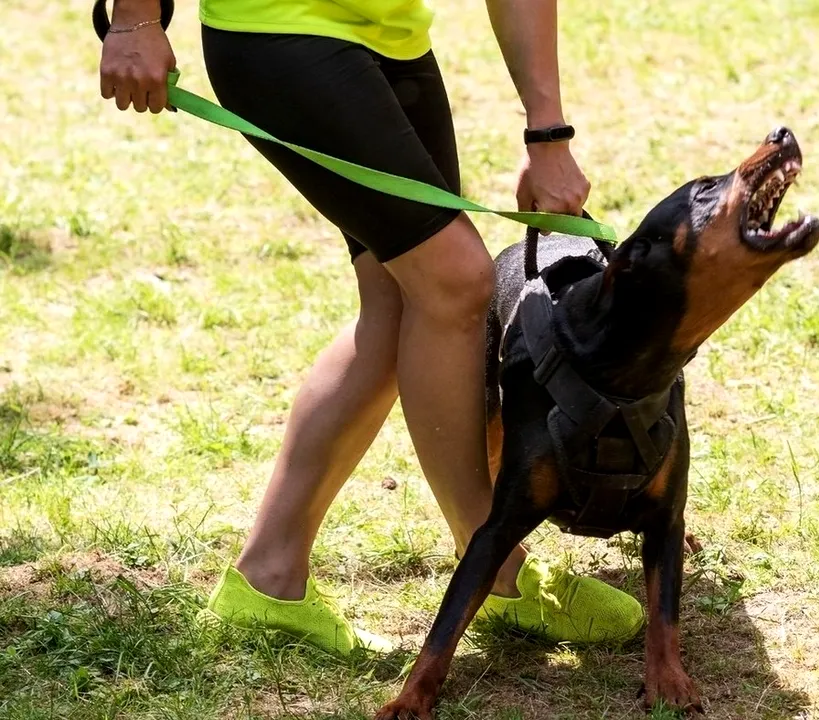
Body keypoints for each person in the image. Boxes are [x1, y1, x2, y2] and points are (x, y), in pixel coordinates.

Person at [98, 0, 644, 655]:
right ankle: (494, 566)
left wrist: (547, 134)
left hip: (393, 38)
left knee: (400, 304)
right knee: (453, 281)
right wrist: (134, 17)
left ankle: (267, 577)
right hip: (280, 29)